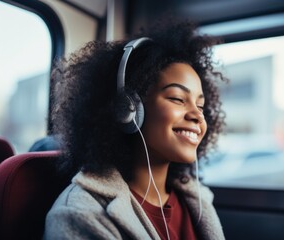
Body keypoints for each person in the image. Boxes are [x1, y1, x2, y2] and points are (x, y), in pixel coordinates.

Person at [44, 20, 227, 240]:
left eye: (200, 106)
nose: (197, 116)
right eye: (178, 99)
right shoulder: (80, 214)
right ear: (128, 108)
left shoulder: (197, 201)